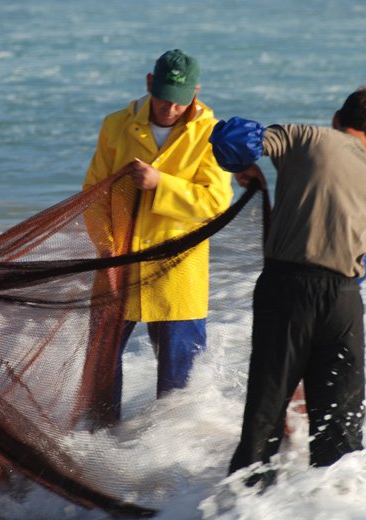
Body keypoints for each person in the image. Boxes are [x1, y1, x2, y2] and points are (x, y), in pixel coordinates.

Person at [210, 87, 366, 484]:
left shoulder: (306, 137)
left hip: (287, 290)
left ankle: (247, 503)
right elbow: (363, 264)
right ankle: (339, 505)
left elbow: (230, 140)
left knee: (265, 417)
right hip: (345, 303)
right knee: (340, 429)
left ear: (335, 119)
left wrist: (244, 167)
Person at [83, 49, 233, 422]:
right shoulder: (116, 125)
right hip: (119, 264)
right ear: (150, 83)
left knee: (178, 386)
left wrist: (160, 184)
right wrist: (107, 250)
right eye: (163, 97)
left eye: (180, 102)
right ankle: (97, 449)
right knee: (100, 369)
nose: (169, 108)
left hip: (178, 271)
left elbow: (216, 201)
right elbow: (93, 196)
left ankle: (171, 467)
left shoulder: (211, 134)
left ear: (195, 92)